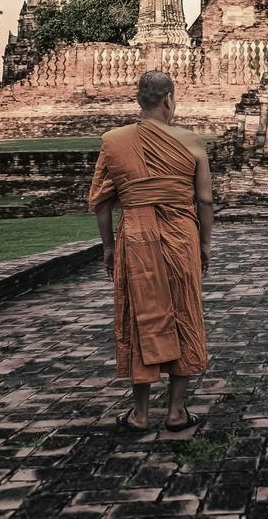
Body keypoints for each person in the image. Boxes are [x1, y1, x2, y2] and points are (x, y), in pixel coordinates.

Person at [88, 69, 213, 433]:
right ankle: (176, 411)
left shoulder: (114, 141)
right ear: (170, 100)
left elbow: (102, 202)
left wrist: (109, 248)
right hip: (182, 237)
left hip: (135, 238)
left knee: (138, 315)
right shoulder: (192, 142)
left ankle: (140, 414)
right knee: (183, 311)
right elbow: (204, 200)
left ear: (139, 101)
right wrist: (205, 244)